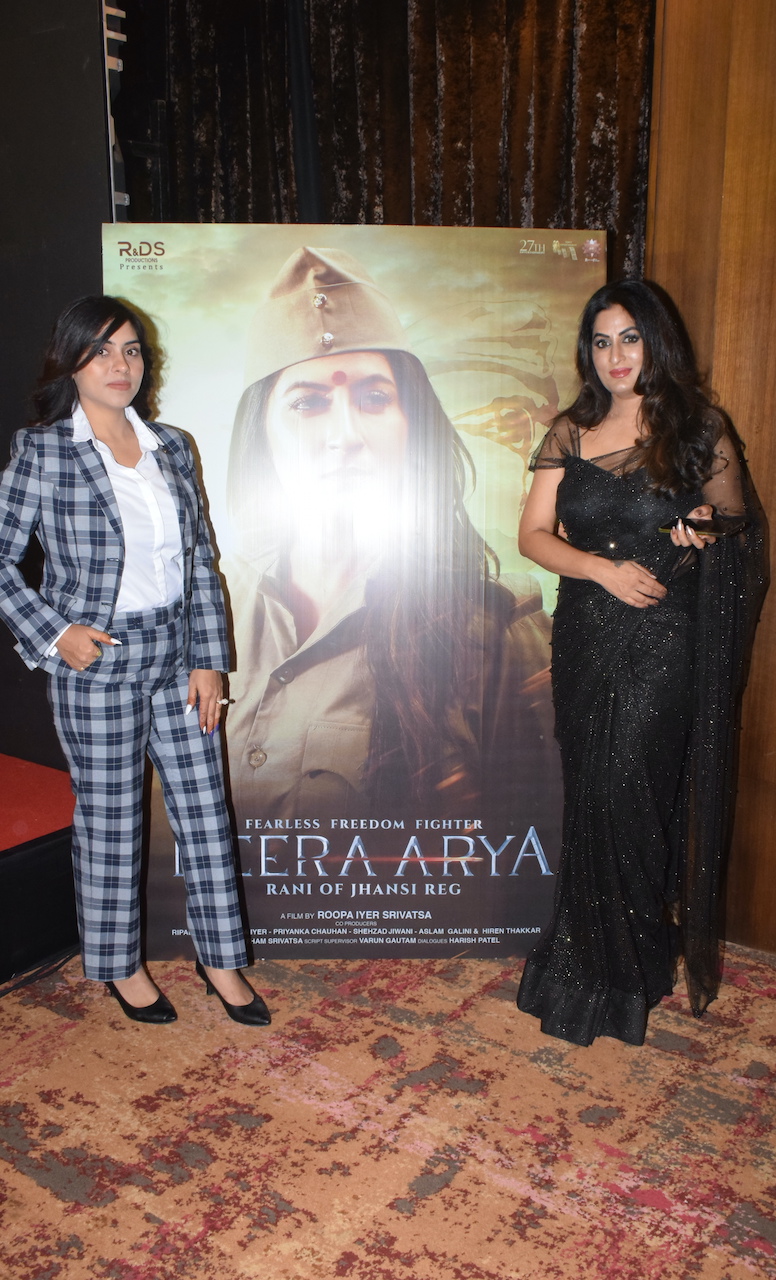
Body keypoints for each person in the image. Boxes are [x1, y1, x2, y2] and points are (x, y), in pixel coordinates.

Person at [0, 297, 270, 1026]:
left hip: (178, 657)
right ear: (70, 362)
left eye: (131, 350)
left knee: (205, 812)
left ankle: (221, 959)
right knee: (112, 822)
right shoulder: (45, 451)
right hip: (98, 663)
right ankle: (121, 966)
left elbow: (200, 560)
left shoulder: (172, 446)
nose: (119, 365)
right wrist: (57, 632)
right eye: (100, 351)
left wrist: (209, 659)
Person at [225, 246, 561, 824]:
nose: (346, 435)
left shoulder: (497, 624)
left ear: (413, 424)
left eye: (374, 397)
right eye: (308, 403)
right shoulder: (203, 605)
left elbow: (532, 851)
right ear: (262, 433)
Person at [515, 280, 766, 1047]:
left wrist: (702, 529)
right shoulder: (571, 429)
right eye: (602, 341)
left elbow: (736, 525)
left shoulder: (698, 428)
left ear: (656, 341)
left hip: (663, 640)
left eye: (629, 338)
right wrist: (599, 569)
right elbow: (532, 535)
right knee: (590, 796)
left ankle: (625, 975)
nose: (616, 355)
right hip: (585, 635)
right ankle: (583, 962)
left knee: (632, 793)